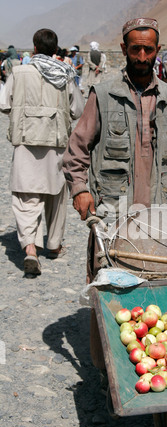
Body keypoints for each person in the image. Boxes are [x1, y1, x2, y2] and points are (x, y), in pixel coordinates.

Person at [62, 16, 167, 377]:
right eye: (135, 48)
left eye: (149, 48)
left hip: (159, 218)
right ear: (124, 50)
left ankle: (151, 366)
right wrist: (81, 190)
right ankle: (107, 372)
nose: (142, 55)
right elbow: (76, 153)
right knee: (107, 289)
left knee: (157, 292)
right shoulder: (102, 95)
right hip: (112, 214)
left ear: (157, 51)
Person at [0, 28, 85, 275]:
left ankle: (30, 250)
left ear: (34, 48)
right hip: (56, 144)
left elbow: (4, 104)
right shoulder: (65, 73)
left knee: (26, 199)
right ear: (55, 49)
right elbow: (77, 110)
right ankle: (54, 246)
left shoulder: (19, 72)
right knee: (56, 197)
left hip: (26, 143)